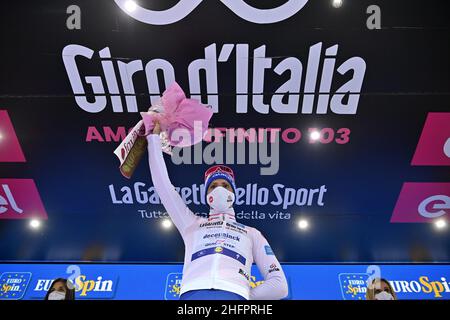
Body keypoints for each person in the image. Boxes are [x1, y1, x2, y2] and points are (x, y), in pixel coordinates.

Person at [146, 121, 288, 300]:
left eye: (225, 185)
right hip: (193, 295)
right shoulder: (191, 223)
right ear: (206, 194)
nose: (219, 189)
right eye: (213, 186)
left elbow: (279, 285)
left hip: (234, 295)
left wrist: (242, 296)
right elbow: (164, 187)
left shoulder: (253, 234)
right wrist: (153, 140)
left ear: (233, 193)